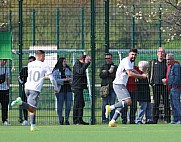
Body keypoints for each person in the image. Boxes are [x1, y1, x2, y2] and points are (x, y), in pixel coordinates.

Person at [11, 50, 59, 131]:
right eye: (44, 56)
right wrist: (56, 88)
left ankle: (33, 125)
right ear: (40, 56)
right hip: (35, 89)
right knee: (32, 108)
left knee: (32, 107)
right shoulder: (44, 65)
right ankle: (20, 102)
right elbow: (52, 78)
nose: (44, 58)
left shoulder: (30, 64)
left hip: (27, 87)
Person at [105, 48, 147, 127]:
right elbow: (130, 74)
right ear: (129, 54)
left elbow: (133, 70)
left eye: (135, 55)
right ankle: (110, 107)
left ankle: (112, 121)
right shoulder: (126, 61)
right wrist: (141, 76)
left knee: (122, 104)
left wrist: (140, 74)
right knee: (128, 102)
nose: (133, 56)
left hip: (121, 84)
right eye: (132, 54)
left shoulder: (131, 62)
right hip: (119, 84)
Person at [149, 47, 170, 124]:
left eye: (162, 52)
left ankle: (167, 119)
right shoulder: (153, 62)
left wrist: (167, 81)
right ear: (157, 53)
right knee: (156, 103)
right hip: (156, 86)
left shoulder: (166, 63)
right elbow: (149, 73)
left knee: (166, 102)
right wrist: (151, 83)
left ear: (164, 53)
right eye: (159, 52)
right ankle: (155, 119)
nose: (161, 54)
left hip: (165, 86)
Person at [53, 57, 73, 125]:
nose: (65, 63)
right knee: (60, 105)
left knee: (68, 105)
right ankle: (60, 119)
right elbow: (55, 80)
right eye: (64, 61)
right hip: (60, 89)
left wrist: (69, 79)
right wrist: (64, 80)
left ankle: (67, 119)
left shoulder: (68, 70)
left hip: (68, 89)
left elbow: (72, 77)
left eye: (65, 61)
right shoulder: (56, 71)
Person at [72, 55, 91, 125]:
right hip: (77, 87)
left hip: (80, 87)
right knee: (77, 103)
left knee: (81, 103)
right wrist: (86, 63)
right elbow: (80, 71)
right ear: (83, 59)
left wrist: (87, 63)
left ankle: (80, 119)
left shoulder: (82, 65)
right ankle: (76, 120)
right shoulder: (77, 64)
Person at [99, 53, 117, 124]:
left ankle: (112, 119)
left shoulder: (115, 67)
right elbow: (101, 75)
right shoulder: (103, 66)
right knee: (104, 104)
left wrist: (106, 73)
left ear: (111, 58)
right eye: (106, 58)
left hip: (112, 88)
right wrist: (108, 72)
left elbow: (114, 75)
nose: (107, 60)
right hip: (104, 88)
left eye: (109, 58)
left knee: (112, 104)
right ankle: (104, 120)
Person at [18, 56, 36, 125]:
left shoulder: (36, 70)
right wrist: (23, 83)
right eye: (29, 61)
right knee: (24, 103)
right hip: (26, 89)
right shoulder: (25, 69)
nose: (30, 63)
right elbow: (19, 77)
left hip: (34, 90)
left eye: (32, 61)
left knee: (33, 105)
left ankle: (33, 120)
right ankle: (25, 119)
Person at [165, 53, 181, 124]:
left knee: (176, 104)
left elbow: (177, 77)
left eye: (168, 59)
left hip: (175, 88)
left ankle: (179, 119)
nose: (167, 61)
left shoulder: (176, 66)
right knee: (173, 104)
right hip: (171, 88)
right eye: (166, 60)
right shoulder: (170, 66)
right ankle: (175, 118)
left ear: (172, 59)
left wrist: (173, 85)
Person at [0, 59, 11, 126]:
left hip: (4, 89)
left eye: (5, 61)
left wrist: (8, 87)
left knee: (5, 106)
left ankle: (4, 120)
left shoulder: (6, 68)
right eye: (3, 60)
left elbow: (8, 78)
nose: (4, 62)